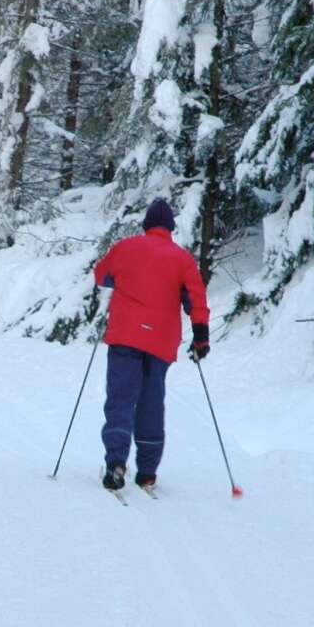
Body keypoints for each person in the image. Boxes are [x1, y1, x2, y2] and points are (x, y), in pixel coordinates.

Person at [92, 198, 210, 493]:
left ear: (146, 225)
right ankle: (147, 471)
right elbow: (196, 299)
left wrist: (124, 279)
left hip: (125, 336)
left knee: (121, 399)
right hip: (160, 342)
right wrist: (201, 337)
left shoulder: (126, 247)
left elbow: (101, 275)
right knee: (151, 403)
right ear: (170, 228)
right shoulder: (182, 259)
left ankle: (116, 463)